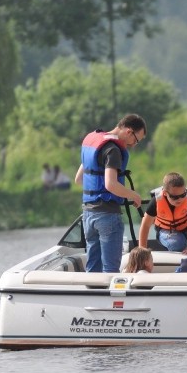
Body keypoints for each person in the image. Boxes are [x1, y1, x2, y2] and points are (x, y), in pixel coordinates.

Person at [75, 113, 146, 273]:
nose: (134, 145)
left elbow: (79, 179)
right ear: (128, 131)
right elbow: (110, 184)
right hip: (107, 215)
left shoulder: (94, 142)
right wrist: (133, 195)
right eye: (136, 140)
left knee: (93, 267)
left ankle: (92, 296)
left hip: (88, 214)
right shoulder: (113, 150)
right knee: (111, 269)